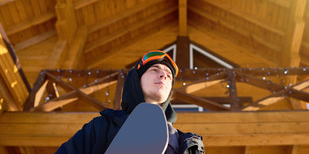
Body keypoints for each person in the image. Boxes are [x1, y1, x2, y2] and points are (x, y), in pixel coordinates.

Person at [56, 50, 205, 154]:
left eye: (169, 76)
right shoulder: (102, 126)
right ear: (136, 80)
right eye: (154, 70)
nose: (163, 76)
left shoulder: (189, 142)